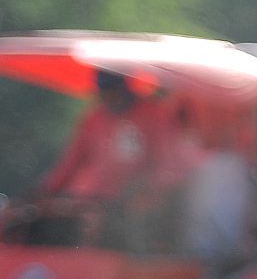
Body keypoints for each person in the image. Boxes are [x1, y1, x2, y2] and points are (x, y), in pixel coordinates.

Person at [22, 69, 188, 249]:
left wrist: (146, 189)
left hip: (136, 207)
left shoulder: (155, 114)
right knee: (32, 222)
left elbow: (170, 166)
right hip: (91, 202)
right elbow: (69, 163)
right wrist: (43, 190)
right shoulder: (95, 118)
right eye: (104, 93)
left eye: (113, 92)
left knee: (109, 230)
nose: (109, 98)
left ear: (125, 88)